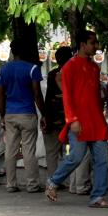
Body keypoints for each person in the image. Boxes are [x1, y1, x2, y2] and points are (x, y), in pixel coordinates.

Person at [46, 30, 108, 208]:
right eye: (93, 43)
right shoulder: (70, 65)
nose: (96, 46)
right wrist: (72, 119)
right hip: (79, 120)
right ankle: (52, 183)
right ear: (83, 45)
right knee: (76, 156)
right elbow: (67, 94)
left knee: (101, 160)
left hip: (96, 120)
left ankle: (98, 197)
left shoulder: (93, 66)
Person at [0, 39, 45, 192]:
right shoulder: (32, 69)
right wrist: (44, 114)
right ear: (25, 52)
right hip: (27, 113)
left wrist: (2, 116)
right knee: (28, 150)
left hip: (10, 114)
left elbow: (0, 96)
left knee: (10, 150)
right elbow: (37, 94)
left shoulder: (2, 71)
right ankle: (32, 184)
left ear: (12, 51)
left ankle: (11, 184)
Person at [43, 46, 72, 181]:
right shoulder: (73, 72)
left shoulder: (52, 74)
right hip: (70, 117)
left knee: (51, 152)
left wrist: (45, 116)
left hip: (54, 117)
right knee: (75, 151)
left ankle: (53, 180)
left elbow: (48, 98)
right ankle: (75, 183)